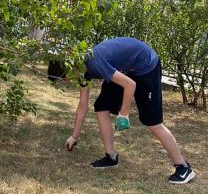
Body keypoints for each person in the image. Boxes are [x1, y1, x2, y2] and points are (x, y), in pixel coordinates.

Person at [65, 37, 196, 184]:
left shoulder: (95, 62)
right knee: (101, 106)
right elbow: (83, 106)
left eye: (65, 79)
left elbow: (130, 85)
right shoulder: (80, 69)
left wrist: (124, 113)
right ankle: (110, 157)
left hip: (147, 66)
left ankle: (184, 168)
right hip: (127, 69)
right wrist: (74, 137)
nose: (68, 81)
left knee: (152, 122)